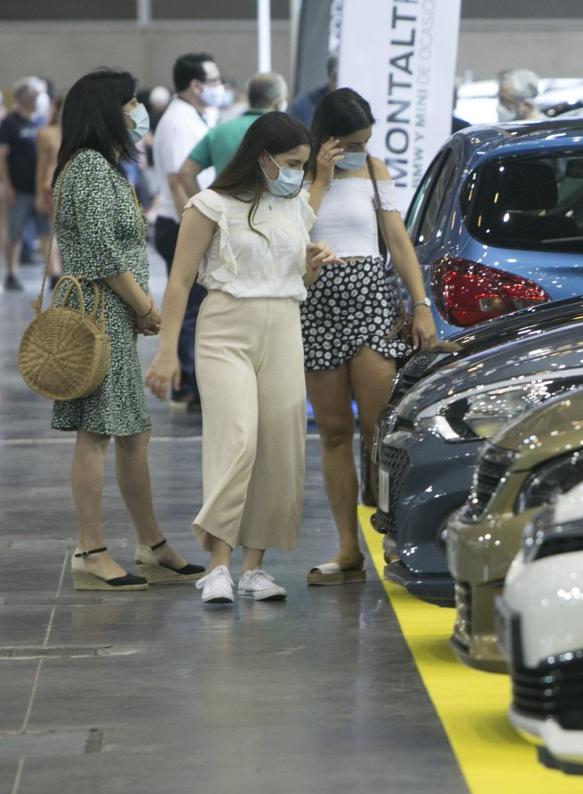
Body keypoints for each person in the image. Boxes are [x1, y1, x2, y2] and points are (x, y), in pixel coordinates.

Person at [145, 112, 340, 606]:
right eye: (293, 163)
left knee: (280, 446)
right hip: (224, 329)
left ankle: (254, 568)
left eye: (304, 164)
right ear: (263, 157)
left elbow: (298, 277)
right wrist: (167, 351)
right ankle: (216, 567)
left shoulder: (295, 205)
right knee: (238, 441)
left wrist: (311, 267)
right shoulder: (208, 206)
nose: (299, 172)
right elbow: (180, 282)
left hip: (284, 326)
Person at [52, 68, 204, 591]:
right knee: (95, 434)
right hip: (101, 316)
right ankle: (90, 549)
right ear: (107, 111)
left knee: (133, 434)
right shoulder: (91, 168)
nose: (138, 110)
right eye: (130, 102)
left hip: (113, 317)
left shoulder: (101, 166)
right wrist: (145, 307)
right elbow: (102, 252)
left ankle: (152, 543)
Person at [302, 89, 439, 584]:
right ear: (328, 139)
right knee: (334, 432)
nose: (362, 148)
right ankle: (346, 548)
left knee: (378, 432)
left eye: (366, 140)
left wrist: (421, 305)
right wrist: (318, 175)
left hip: (369, 302)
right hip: (314, 306)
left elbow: (398, 241)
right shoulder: (296, 172)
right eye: (353, 142)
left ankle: (396, 537)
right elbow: (294, 229)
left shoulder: (376, 170)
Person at [152, 52, 225, 409]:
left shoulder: (195, 115)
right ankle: (187, 381)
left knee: (196, 303)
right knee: (191, 306)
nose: (219, 87)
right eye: (213, 81)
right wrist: (199, 225)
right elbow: (178, 178)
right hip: (181, 221)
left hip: (188, 220)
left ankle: (191, 378)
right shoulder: (179, 122)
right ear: (195, 85)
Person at [178, 72, 287, 197]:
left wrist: (203, 208)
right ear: (279, 102)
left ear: (249, 98)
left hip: (225, 213)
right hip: (273, 212)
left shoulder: (219, 131)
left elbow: (186, 172)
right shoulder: (286, 133)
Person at [0, 77, 49, 292]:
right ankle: (11, 273)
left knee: (45, 232)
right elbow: (1, 157)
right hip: (18, 189)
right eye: (34, 96)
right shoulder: (9, 123)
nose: (37, 100)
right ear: (24, 98)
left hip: (39, 188)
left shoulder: (39, 121)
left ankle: (52, 275)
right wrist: (7, 185)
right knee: (15, 232)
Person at [34, 93, 63, 286]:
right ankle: (54, 271)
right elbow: (41, 165)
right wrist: (38, 193)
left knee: (57, 231)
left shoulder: (73, 133)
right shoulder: (46, 133)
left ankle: (57, 270)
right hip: (51, 186)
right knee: (50, 230)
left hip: (60, 185)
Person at [289, 55, 337, 127]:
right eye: (336, 78)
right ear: (329, 76)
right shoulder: (302, 106)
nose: (341, 83)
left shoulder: (358, 105)